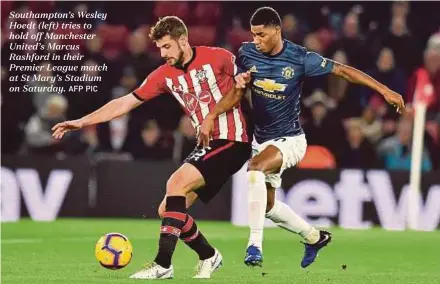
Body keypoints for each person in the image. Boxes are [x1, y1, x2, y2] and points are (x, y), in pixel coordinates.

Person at [199, 7, 405, 269]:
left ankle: (254, 246)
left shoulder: (299, 58)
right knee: (268, 207)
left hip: (290, 140)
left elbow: (342, 71)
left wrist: (384, 90)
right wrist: (212, 115)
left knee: (254, 169)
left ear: (276, 29)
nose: (257, 40)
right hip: (261, 141)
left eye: (261, 35)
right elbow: (238, 93)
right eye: (253, 35)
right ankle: (314, 236)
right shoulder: (247, 53)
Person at [52, 16, 251, 279]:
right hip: (208, 143)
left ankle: (163, 264)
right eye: (159, 48)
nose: (162, 53)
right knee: (168, 210)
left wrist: (217, 115)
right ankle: (208, 255)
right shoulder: (164, 75)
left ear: (183, 40)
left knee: (175, 183)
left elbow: (244, 84)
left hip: (232, 139)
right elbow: (123, 103)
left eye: (167, 47)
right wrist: (81, 121)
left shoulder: (218, 57)